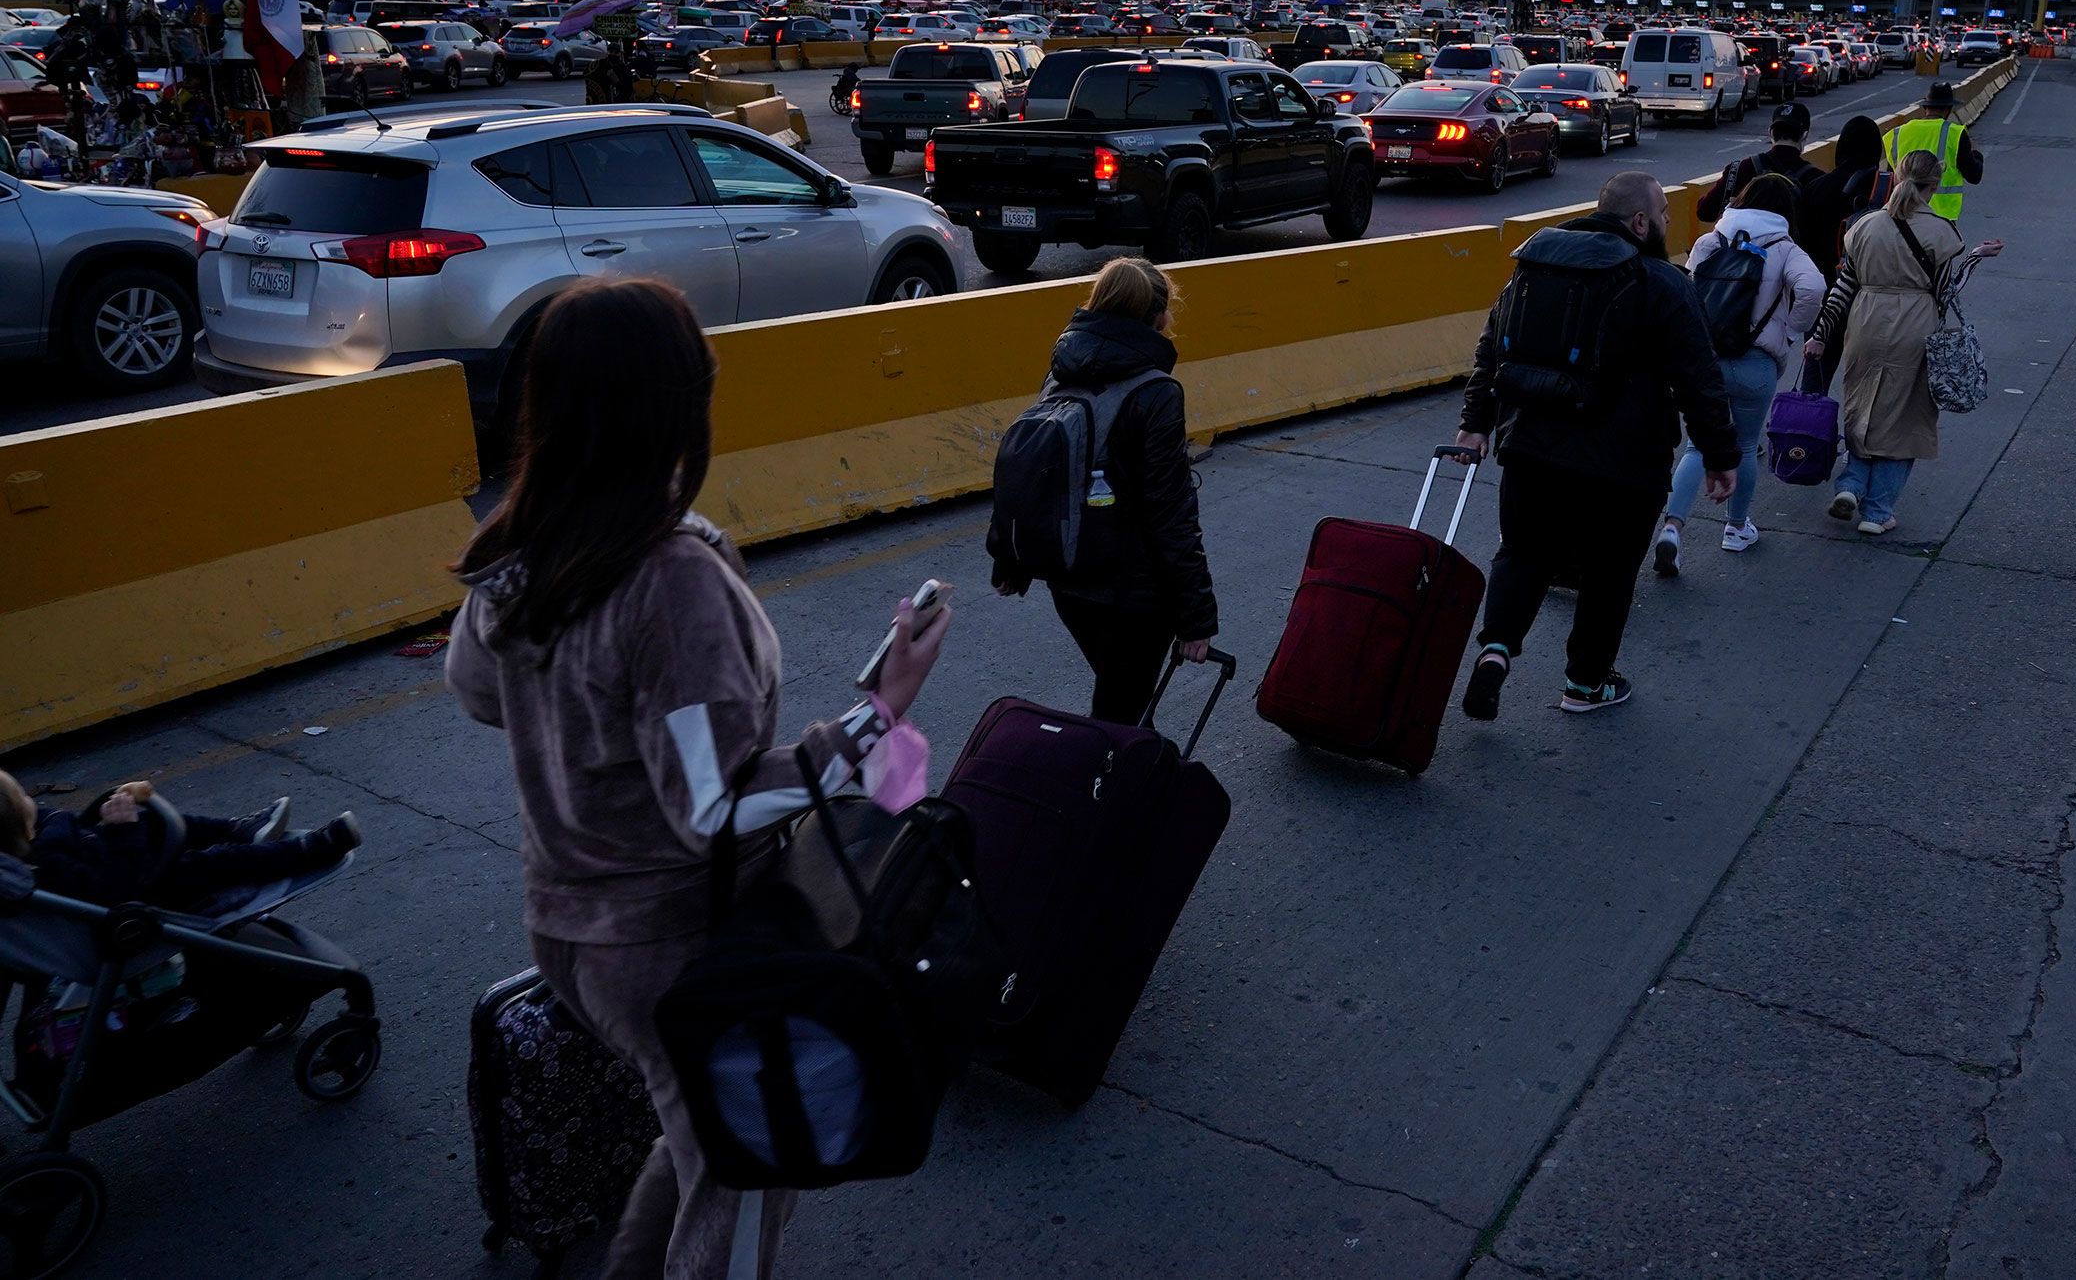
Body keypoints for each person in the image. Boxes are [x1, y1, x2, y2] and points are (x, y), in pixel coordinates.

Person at [446, 276, 943, 1280]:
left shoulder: (519, 547)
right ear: (672, 404)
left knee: (702, 1130)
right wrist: (878, 709)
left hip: (564, 927)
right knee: (751, 1164)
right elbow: (709, 805)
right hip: (668, 937)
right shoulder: (668, 577)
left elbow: (478, 691)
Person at [1455, 171, 1739, 718]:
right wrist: (1720, 456)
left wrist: (1477, 421)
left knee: (1523, 553)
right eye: (1660, 215)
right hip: (1625, 464)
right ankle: (1585, 684)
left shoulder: (1537, 264)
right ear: (1638, 222)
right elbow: (1698, 378)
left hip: (1532, 446)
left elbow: (1493, 346)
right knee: (1609, 573)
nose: (1664, 224)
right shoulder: (1663, 281)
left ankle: (1496, 650)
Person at [991, 257, 1217, 725]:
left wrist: (1013, 561)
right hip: (1131, 596)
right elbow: (1170, 512)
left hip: (1069, 583)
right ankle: (1100, 790)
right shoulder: (1157, 393)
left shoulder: (1062, 370)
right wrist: (1196, 617)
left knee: (1122, 704)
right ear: (1158, 318)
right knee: (1119, 717)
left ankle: (1129, 781)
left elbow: (1033, 473)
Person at [1801, 151, 2004, 536]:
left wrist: (1820, 334)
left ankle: (1850, 486)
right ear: (1934, 186)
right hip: (1915, 328)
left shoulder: (1863, 227)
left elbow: (1842, 287)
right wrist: (1976, 257)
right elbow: (1948, 293)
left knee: (1863, 409)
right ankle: (1877, 512)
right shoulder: (1943, 232)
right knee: (1905, 422)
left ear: (1895, 177)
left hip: (1864, 323)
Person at [1655, 174, 1827, 574]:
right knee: (1746, 446)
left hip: (1707, 361)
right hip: (1757, 363)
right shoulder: (1785, 248)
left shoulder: (1710, 241)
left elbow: (1689, 294)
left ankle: (1672, 529)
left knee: (1699, 446)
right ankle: (1735, 528)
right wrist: (1789, 329)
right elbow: (1814, 288)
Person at [0, 774, 357, 909]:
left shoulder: (38, 833)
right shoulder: (49, 861)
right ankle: (308, 849)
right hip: (142, 891)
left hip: (113, 856)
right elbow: (116, 890)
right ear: (21, 823)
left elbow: (58, 822)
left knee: (154, 819)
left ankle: (238, 828)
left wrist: (113, 816)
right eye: (24, 797)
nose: (35, 800)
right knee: (212, 862)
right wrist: (122, 832)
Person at [1794, 113, 1885, 282]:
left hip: (1824, 284)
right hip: (1873, 287)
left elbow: (1801, 242)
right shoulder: (1886, 188)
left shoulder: (1816, 188)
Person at [1882, 81, 1985, 222]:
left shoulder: (1897, 134)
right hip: (1942, 216)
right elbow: (1974, 176)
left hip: (1902, 212)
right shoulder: (1955, 133)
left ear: (1925, 107)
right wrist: (1976, 153)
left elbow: (1889, 179)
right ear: (1949, 109)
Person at [1698, 101, 1811, 223]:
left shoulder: (1740, 169)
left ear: (1771, 133)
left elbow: (1705, 213)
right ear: (1804, 135)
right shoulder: (1815, 178)